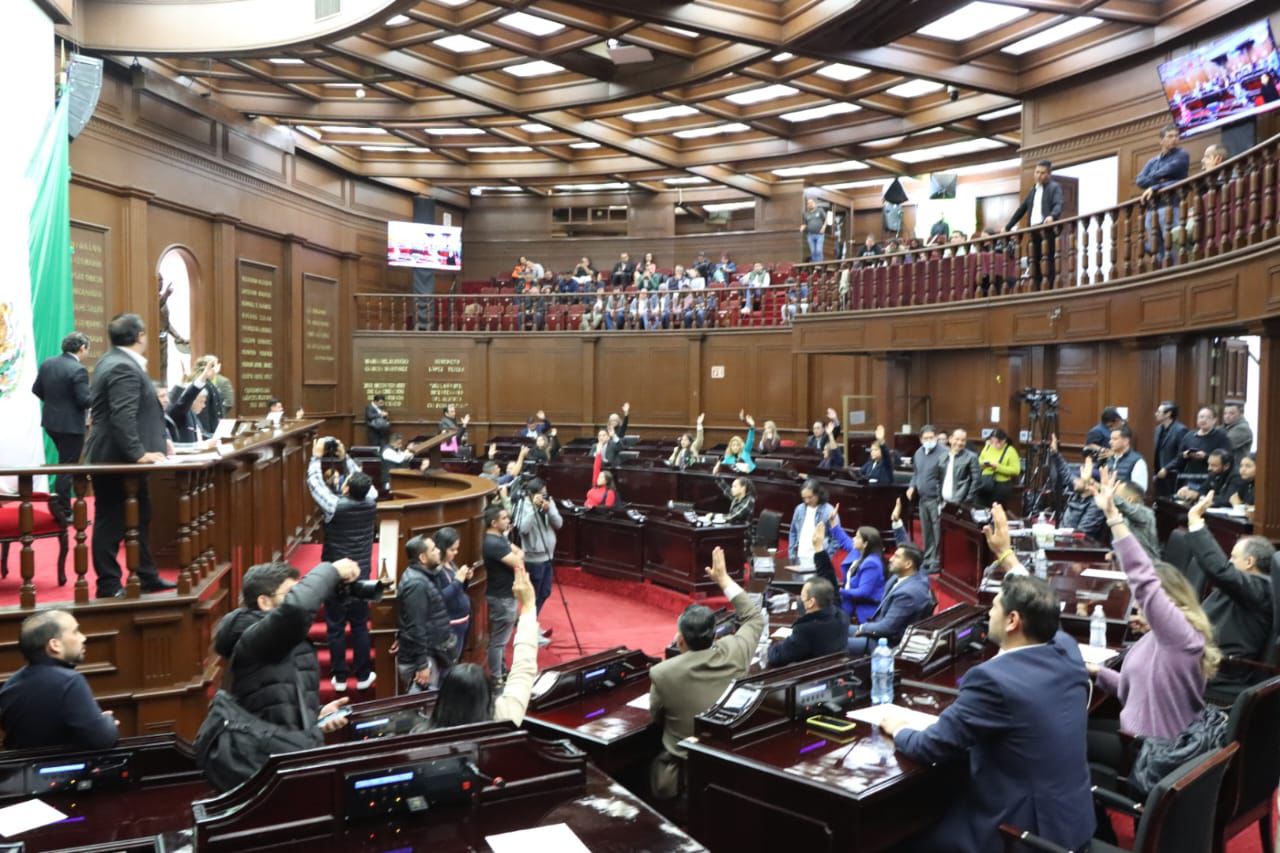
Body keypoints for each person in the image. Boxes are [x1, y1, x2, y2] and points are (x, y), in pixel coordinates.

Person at [879, 571, 1095, 853]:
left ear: (1012, 620)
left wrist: (899, 728)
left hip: (1021, 834)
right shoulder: (1067, 650)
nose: (988, 614)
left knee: (899, 842)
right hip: (1073, 822)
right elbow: (1055, 627)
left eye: (994, 607)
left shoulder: (992, 680)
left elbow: (931, 746)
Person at [1086, 470, 1220, 749]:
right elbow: (1136, 691)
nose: (1138, 605)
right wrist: (1097, 672)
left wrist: (1113, 517)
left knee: (1069, 737)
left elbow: (1144, 580)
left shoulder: (1182, 636)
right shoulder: (1167, 636)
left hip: (1150, 749)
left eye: (1143, 601)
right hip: (1139, 734)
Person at [211, 559, 359, 770]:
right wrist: (331, 570)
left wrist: (315, 716)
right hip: (267, 761)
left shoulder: (279, 638)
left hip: (287, 752)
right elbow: (296, 609)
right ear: (264, 602)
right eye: (290, 593)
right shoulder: (253, 638)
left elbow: (277, 699)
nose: (295, 597)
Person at [648, 547, 764, 800]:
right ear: (714, 636)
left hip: (684, 779)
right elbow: (754, 618)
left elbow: (656, 717)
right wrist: (724, 580)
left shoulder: (662, 673)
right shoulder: (734, 651)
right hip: (729, 770)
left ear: (680, 640)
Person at [84, 313, 176, 599]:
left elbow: (139, 413)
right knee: (111, 521)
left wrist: (161, 441)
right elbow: (122, 416)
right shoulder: (122, 366)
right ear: (139, 336)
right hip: (116, 459)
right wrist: (138, 453)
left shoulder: (114, 361)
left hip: (123, 457)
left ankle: (146, 575)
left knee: (142, 515)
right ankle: (108, 585)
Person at [1184, 491, 1274, 699]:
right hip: (1200, 659)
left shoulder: (1261, 589)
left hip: (1218, 674)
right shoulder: (1244, 589)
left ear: (1249, 562)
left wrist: (1195, 521)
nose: (1229, 562)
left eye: (1233, 558)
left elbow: (1219, 570)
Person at [426, 566, 540, 728]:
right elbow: (524, 669)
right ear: (487, 695)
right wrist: (529, 605)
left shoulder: (422, 734)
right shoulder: (505, 716)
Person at [307, 438, 378, 693]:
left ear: (345, 488)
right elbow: (363, 482)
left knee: (335, 626)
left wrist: (316, 457)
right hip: (362, 574)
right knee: (359, 624)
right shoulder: (372, 499)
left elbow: (315, 484)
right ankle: (363, 674)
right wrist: (345, 458)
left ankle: (339, 677)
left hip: (335, 574)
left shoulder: (335, 506)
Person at [0, 609, 119, 750]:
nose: (83, 638)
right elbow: (103, 740)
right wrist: (107, 721)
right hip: (66, 764)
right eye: (75, 632)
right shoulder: (70, 682)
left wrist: (96, 722)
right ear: (55, 645)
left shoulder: (10, 685)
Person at [847, 499, 933, 654]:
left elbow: (887, 627)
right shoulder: (915, 572)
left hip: (886, 643)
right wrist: (897, 523)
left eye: (896, 557)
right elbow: (907, 548)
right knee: (835, 631)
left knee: (833, 644)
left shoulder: (908, 594)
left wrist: (862, 628)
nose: (891, 559)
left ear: (908, 564)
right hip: (877, 630)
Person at [31, 331, 91, 522]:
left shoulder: (48, 363)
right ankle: (64, 511)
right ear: (82, 348)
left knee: (63, 464)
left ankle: (61, 507)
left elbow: (36, 389)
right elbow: (84, 400)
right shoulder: (78, 369)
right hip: (71, 426)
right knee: (67, 468)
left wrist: (54, 405)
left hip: (51, 423)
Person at [398, 535, 459, 692]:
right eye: (433, 549)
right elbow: (416, 627)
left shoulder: (423, 576)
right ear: (423, 558)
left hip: (430, 653)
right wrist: (422, 664)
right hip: (424, 659)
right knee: (423, 703)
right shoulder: (416, 585)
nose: (439, 551)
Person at [1004, 160, 1064, 288]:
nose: (1039, 175)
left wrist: (1052, 216)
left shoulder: (1054, 187)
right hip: (1033, 230)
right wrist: (1007, 227)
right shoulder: (1033, 191)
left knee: (1048, 259)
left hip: (1046, 230)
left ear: (1049, 174)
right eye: (1037, 172)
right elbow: (1021, 210)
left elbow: (1058, 204)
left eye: (1042, 173)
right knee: (1033, 260)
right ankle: (1037, 287)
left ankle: (1050, 287)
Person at [482, 504, 524, 685]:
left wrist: (517, 555)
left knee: (502, 639)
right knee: (498, 641)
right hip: (501, 598)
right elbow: (518, 561)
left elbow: (519, 553)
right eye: (504, 518)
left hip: (505, 595)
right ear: (493, 522)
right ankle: (496, 677)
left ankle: (501, 670)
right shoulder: (493, 543)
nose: (508, 521)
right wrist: (518, 556)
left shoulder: (500, 539)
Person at [1136, 125, 1191, 264]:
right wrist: (1162, 179)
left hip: (1171, 205)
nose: (1174, 139)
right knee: (1157, 247)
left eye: (1176, 136)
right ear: (1161, 140)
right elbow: (1140, 180)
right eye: (1170, 136)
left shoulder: (1182, 155)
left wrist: (1154, 184)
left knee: (1173, 244)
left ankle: (1178, 272)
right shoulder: (1152, 161)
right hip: (1152, 208)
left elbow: (1171, 170)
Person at [766, 574, 845, 667]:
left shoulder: (804, 630)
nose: (799, 599)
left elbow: (776, 656)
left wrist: (769, 648)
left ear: (811, 602)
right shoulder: (838, 617)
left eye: (802, 596)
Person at [513, 477, 562, 625]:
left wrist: (549, 510)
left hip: (549, 555)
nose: (543, 496)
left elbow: (559, 524)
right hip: (533, 559)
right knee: (533, 595)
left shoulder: (549, 502)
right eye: (541, 493)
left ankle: (529, 619)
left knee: (545, 592)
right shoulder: (523, 505)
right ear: (532, 494)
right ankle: (527, 622)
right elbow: (523, 529)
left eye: (545, 493)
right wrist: (534, 509)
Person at [823, 518, 885, 623]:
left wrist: (840, 591)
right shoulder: (859, 552)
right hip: (849, 601)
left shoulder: (872, 563)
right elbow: (845, 540)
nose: (853, 539)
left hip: (862, 608)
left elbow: (863, 592)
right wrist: (834, 524)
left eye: (857, 537)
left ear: (865, 544)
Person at [1158, 404, 1231, 491]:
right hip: (1189, 478)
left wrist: (1206, 456)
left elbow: (1227, 458)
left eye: (1207, 417)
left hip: (1211, 479)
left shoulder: (1221, 436)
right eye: (1201, 417)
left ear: (1214, 420)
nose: (1203, 420)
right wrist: (1183, 456)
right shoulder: (1189, 436)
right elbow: (1179, 458)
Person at [905, 424, 945, 569]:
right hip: (922, 498)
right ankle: (928, 558)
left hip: (937, 499)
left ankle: (937, 560)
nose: (929, 440)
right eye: (926, 438)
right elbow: (916, 474)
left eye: (931, 437)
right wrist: (912, 486)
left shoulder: (944, 453)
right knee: (926, 530)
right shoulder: (918, 453)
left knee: (937, 531)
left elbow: (946, 477)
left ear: (936, 437)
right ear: (921, 440)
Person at [432, 527, 474, 657]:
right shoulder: (435, 570)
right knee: (450, 662)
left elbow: (459, 590)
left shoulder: (450, 563)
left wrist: (465, 579)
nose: (456, 552)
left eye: (456, 548)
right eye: (452, 549)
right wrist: (458, 581)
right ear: (441, 548)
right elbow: (439, 598)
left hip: (462, 621)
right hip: (450, 625)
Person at [787, 478, 837, 569]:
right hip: (800, 556)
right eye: (804, 498)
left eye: (810, 497)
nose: (807, 501)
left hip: (819, 558)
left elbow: (836, 539)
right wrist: (791, 554)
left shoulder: (829, 511)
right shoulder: (799, 509)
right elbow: (793, 532)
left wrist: (826, 557)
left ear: (818, 494)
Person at [166, 359, 217, 444]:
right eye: (201, 401)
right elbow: (186, 398)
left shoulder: (193, 414)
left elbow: (201, 434)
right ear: (192, 400)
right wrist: (203, 377)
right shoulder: (180, 413)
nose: (204, 405)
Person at [975, 429, 1021, 509]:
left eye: (998, 442)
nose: (995, 445)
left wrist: (998, 467)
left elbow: (1016, 470)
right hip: (985, 482)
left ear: (1004, 440)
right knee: (980, 507)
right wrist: (984, 464)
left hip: (1000, 485)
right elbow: (980, 460)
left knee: (996, 510)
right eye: (992, 442)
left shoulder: (1010, 451)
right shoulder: (988, 446)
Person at [934, 427, 981, 505]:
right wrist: (938, 498)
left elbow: (977, 481)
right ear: (950, 439)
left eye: (963, 440)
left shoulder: (971, 457)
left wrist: (967, 500)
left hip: (961, 503)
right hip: (943, 502)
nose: (959, 443)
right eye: (957, 439)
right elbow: (938, 479)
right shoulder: (942, 457)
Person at [1153, 400, 1190, 498]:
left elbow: (1182, 455)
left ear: (1168, 414)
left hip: (1173, 475)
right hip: (1158, 474)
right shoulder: (1158, 429)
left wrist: (1167, 468)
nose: (1156, 414)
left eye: (1159, 412)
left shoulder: (1180, 430)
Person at [585, 441, 620, 508]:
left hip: (594, 512)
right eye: (599, 477)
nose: (598, 478)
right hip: (585, 509)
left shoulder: (610, 492)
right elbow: (596, 468)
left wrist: (593, 507)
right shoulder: (595, 485)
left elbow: (607, 508)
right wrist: (598, 452)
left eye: (601, 477)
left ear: (606, 480)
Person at [800, 197, 827, 262]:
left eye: (811, 202)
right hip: (810, 235)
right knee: (813, 251)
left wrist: (824, 227)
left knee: (818, 250)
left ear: (814, 203)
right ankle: (815, 265)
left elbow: (826, 220)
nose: (810, 204)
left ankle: (820, 265)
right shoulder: (806, 214)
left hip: (819, 235)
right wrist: (802, 228)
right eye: (808, 203)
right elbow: (805, 224)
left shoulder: (820, 210)